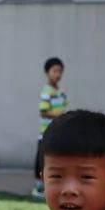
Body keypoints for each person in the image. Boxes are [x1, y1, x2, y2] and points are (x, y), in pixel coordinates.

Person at [34, 57, 68, 198]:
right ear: (47, 72)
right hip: (46, 133)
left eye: (60, 71)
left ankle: (52, 186)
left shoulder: (60, 92)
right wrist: (59, 116)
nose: (58, 74)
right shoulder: (46, 91)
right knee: (42, 160)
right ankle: (39, 188)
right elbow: (43, 111)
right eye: (55, 71)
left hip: (58, 133)